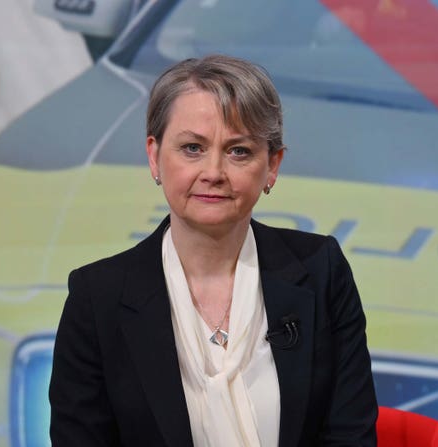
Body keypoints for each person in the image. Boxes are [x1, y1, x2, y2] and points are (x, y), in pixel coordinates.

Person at [49, 54, 377, 447]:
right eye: (192, 148)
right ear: (154, 156)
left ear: (272, 165)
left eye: (238, 151)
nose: (214, 172)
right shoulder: (97, 296)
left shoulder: (321, 270)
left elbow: (349, 435)